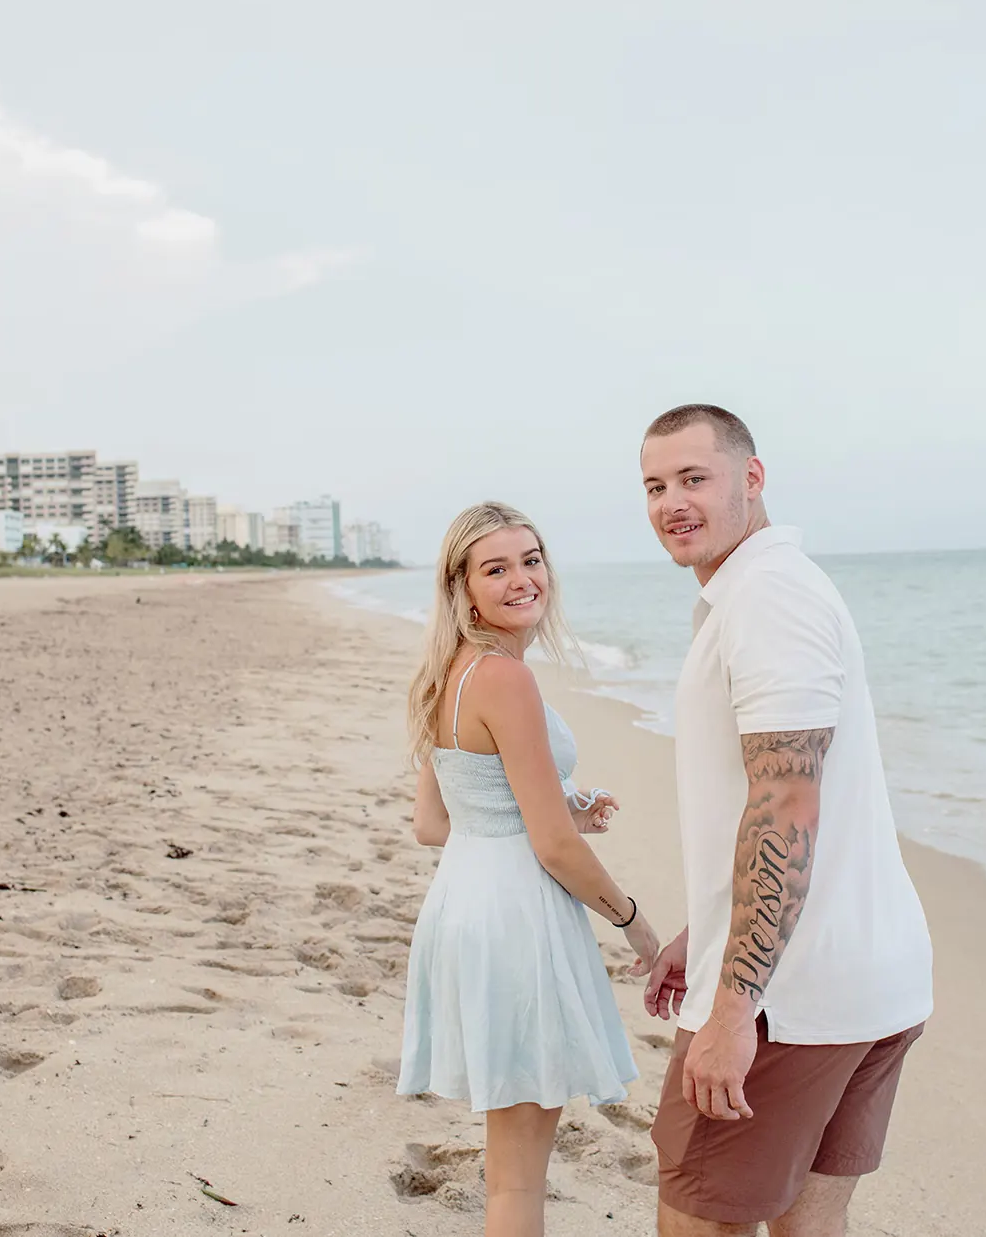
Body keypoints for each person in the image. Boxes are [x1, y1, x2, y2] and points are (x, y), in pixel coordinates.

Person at [638, 405, 934, 1237]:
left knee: (699, 1221)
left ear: (752, 478)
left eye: (694, 478)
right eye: (655, 486)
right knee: (810, 1227)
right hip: (867, 978)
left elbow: (785, 807)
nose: (672, 502)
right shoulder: (769, 589)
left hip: (788, 1002)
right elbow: (792, 801)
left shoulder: (765, 597)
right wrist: (706, 927)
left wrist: (731, 1008)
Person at [398, 500, 662, 1237]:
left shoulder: (440, 674)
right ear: (463, 586)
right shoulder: (504, 679)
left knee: (509, 1160)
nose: (522, 579)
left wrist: (559, 808)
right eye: (496, 567)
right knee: (517, 1181)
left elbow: (435, 822)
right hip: (516, 916)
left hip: (463, 902)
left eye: (531, 558)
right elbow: (551, 847)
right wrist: (637, 926)